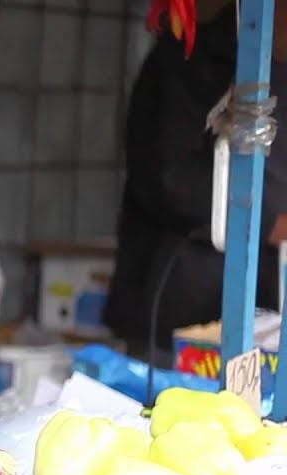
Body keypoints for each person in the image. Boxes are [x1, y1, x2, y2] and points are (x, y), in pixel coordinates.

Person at [105, 0, 287, 355]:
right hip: (181, 301)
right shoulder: (191, 58)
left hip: (265, 308)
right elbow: (168, 178)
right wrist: (270, 224)